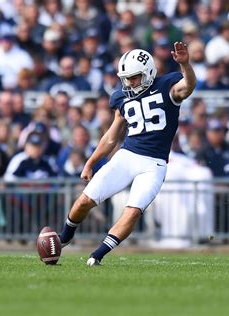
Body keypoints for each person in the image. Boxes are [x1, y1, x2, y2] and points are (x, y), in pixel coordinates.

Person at [57, 42, 197, 266]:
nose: (129, 82)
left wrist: (185, 65)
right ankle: (63, 238)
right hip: (127, 156)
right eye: (127, 78)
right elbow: (111, 136)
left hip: (154, 164)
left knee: (132, 211)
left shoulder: (166, 86)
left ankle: (98, 254)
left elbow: (188, 86)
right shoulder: (121, 96)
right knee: (84, 200)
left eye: (134, 77)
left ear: (149, 73)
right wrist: (90, 162)